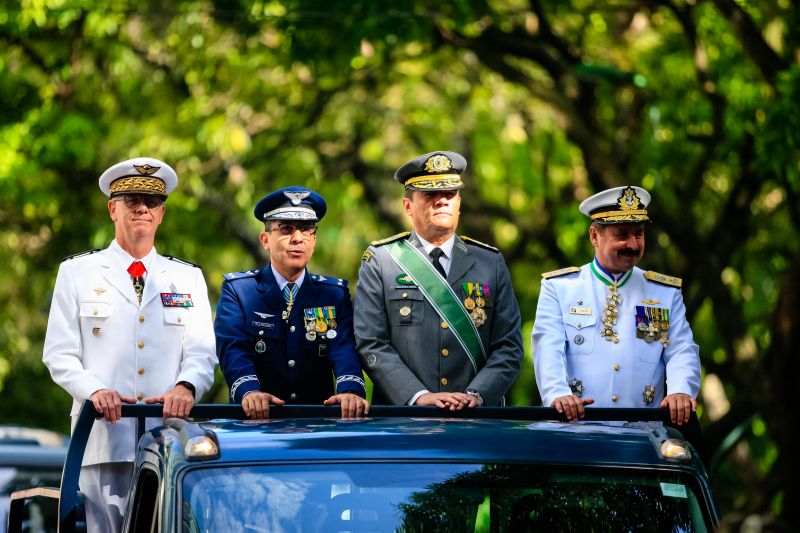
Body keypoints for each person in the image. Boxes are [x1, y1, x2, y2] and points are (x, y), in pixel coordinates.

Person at [42, 157, 217, 533]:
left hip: (169, 442)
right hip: (102, 440)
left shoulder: (187, 277)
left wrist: (187, 387)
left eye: (151, 202)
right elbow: (59, 353)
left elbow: (202, 354)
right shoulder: (77, 273)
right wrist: (94, 390)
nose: (142, 208)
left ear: (162, 214)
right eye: (132, 199)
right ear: (112, 209)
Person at [354, 151, 523, 408]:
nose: (442, 201)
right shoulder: (381, 261)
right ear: (408, 206)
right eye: (430, 194)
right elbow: (371, 343)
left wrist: (476, 395)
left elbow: (509, 346)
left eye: (450, 194)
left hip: (477, 420)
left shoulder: (491, 262)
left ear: (459, 203)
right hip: (404, 420)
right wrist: (418, 396)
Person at [532, 185, 701, 425]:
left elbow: (682, 350)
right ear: (594, 236)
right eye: (622, 235)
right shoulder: (560, 288)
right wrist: (558, 394)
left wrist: (680, 390)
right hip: (575, 429)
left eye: (639, 234)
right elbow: (548, 347)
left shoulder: (664, 292)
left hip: (643, 434)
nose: (633, 244)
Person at [215, 186, 369, 419]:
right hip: (256, 422)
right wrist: (249, 392)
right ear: (265, 240)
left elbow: (343, 347)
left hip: (317, 424)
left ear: (314, 239)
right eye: (286, 229)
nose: (297, 238)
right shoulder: (240, 290)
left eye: (306, 230)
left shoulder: (332, 294)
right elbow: (233, 349)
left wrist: (350, 391)